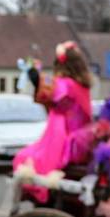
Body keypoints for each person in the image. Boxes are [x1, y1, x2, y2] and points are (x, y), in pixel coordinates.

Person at [13, 41, 93, 203]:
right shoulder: (82, 86)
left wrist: (36, 78)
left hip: (66, 142)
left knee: (25, 158)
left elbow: (51, 90)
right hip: (81, 141)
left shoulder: (67, 85)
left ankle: (40, 198)